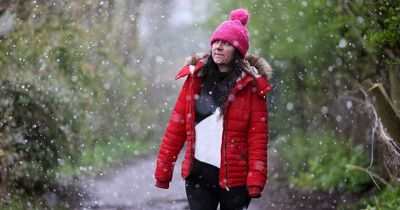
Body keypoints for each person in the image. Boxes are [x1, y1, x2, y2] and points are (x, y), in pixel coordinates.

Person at [154, 8, 272, 210]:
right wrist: (163, 171)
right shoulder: (194, 80)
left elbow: (257, 139)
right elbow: (176, 127)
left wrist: (255, 180)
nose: (218, 47)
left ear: (238, 51)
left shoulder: (252, 88)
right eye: (216, 42)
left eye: (226, 44)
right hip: (197, 177)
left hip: (236, 182)